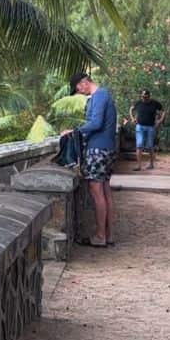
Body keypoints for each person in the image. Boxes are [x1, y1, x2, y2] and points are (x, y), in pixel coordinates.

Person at [63, 71, 118, 248]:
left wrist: (73, 131)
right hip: (106, 148)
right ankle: (108, 235)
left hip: (98, 150)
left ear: (84, 82)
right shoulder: (99, 96)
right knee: (105, 191)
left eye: (78, 88)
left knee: (97, 192)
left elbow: (96, 123)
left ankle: (101, 236)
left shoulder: (100, 95)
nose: (79, 92)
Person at [130, 89, 165, 171]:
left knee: (150, 146)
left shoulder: (155, 103)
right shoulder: (138, 103)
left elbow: (163, 111)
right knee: (139, 145)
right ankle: (138, 166)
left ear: (149, 96)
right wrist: (132, 118)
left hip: (151, 127)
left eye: (146, 97)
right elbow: (131, 109)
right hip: (139, 126)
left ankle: (151, 164)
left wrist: (159, 121)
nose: (144, 98)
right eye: (143, 97)